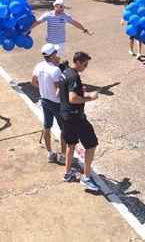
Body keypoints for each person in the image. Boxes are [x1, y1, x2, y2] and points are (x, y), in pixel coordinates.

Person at [60, 51, 100, 192]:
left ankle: (67, 173)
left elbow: (60, 93)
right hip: (76, 117)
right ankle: (86, 177)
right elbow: (72, 98)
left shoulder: (65, 73)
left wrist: (81, 92)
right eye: (85, 64)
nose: (86, 67)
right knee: (91, 145)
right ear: (77, 62)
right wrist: (90, 98)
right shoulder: (74, 76)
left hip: (65, 115)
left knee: (71, 144)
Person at [32, 43, 66, 164]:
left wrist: (44, 88)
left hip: (44, 100)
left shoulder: (39, 66)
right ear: (52, 55)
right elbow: (58, 91)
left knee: (47, 126)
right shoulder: (56, 70)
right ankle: (62, 155)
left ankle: (50, 153)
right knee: (64, 129)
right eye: (55, 53)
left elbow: (34, 82)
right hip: (56, 103)